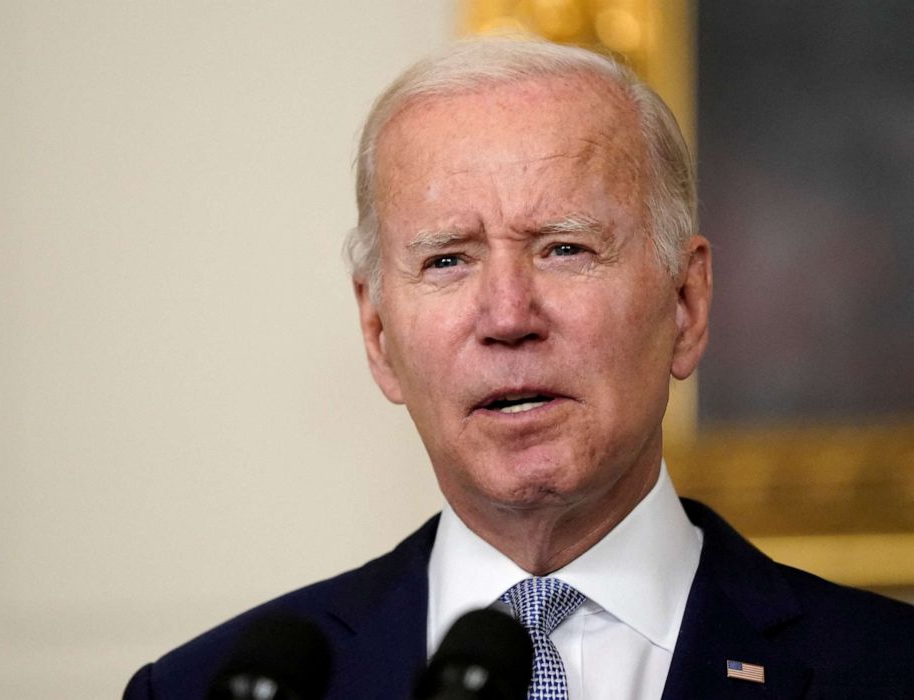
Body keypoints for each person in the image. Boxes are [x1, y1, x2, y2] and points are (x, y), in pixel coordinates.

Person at [124, 39, 913, 699]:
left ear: (685, 304)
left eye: (564, 248)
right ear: (376, 332)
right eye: (446, 260)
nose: (507, 317)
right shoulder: (200, 688)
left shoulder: (888, 670)